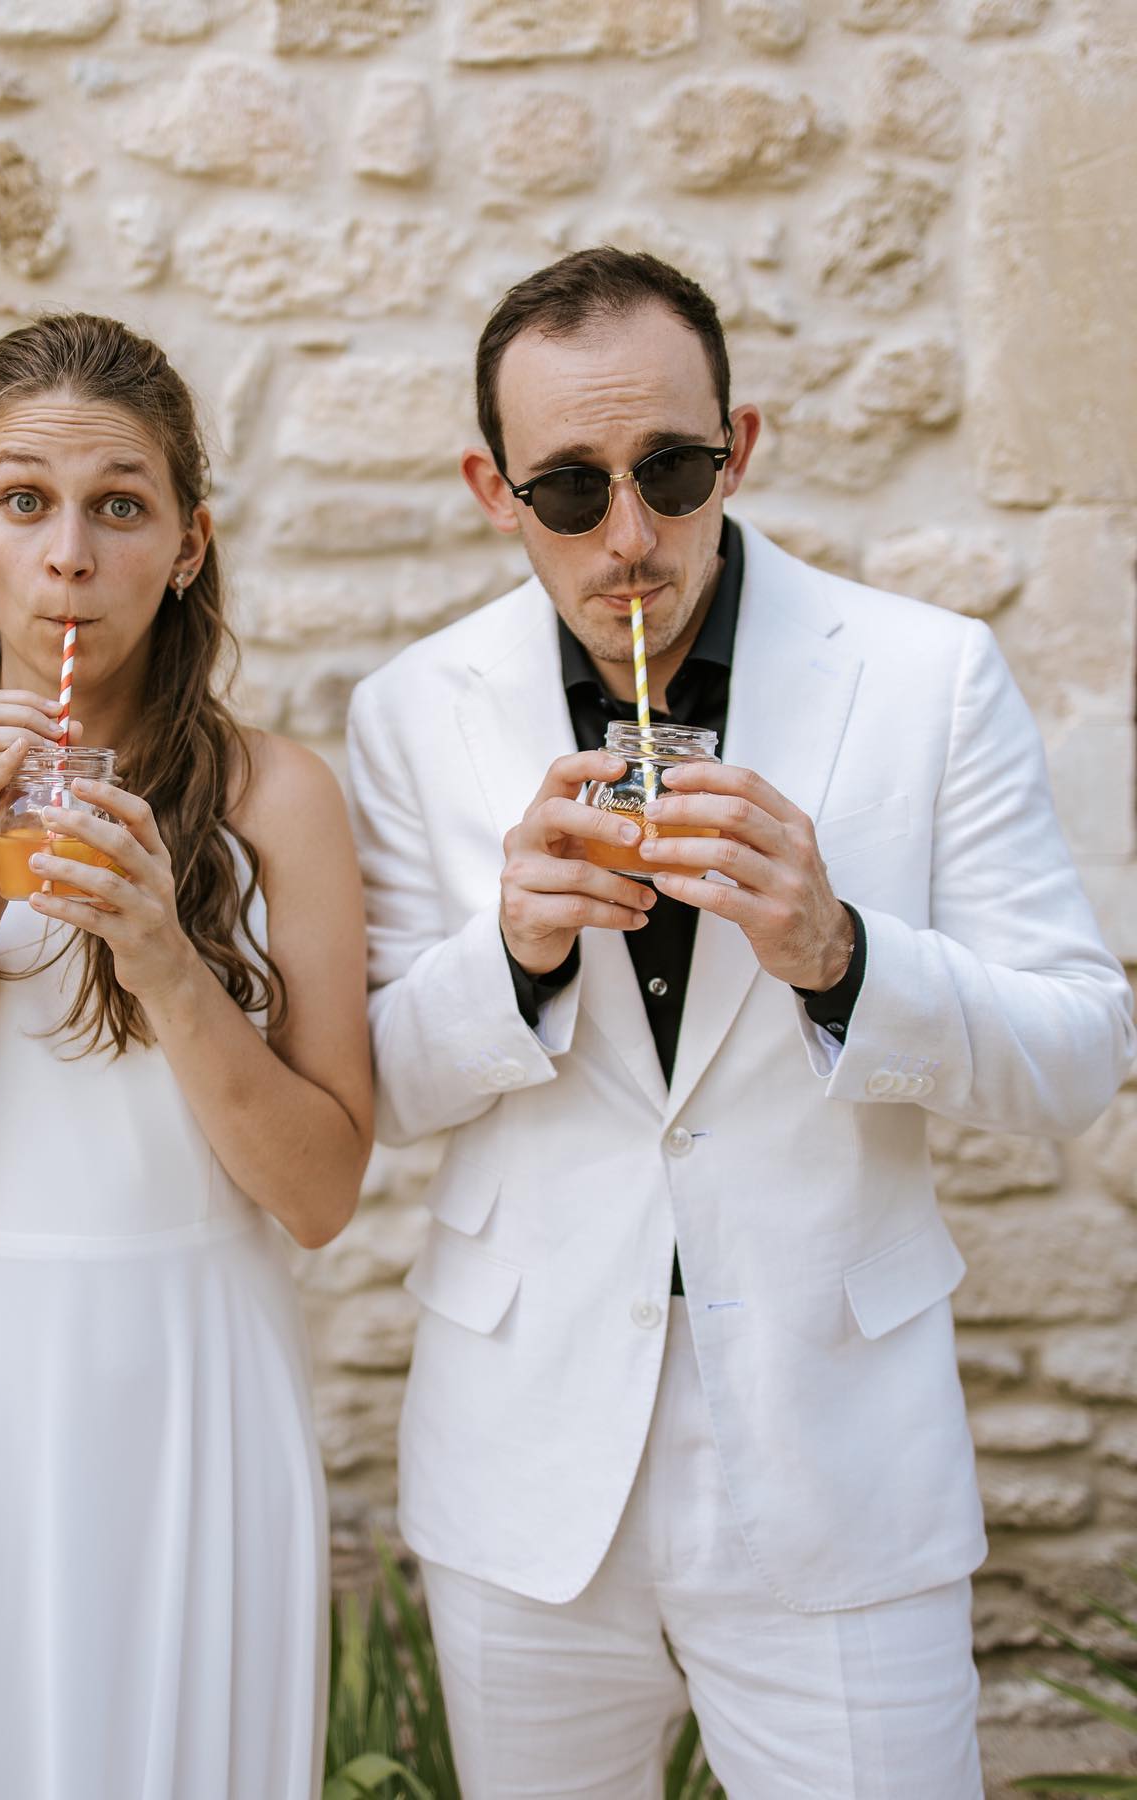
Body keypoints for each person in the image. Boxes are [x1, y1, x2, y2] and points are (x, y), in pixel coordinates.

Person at [345, 247, 1136, 1799]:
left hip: (841, 1451)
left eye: (675, 470)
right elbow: (372, 1087)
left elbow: (1079, 1055)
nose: (629, 536)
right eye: (569, 490)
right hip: (526, 1464)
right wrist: (511, 953)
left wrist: (840, 952)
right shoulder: (408, 709)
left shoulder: (928, 675)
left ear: (742, 449)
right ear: (492, 490)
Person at [0, 313, 372, 1800]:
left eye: (121, 505)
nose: (69, 555)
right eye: (25, 502)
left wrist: (165, 953)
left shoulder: (280, 797)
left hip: (194, 1385)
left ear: (187, 543)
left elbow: (318, 1194)